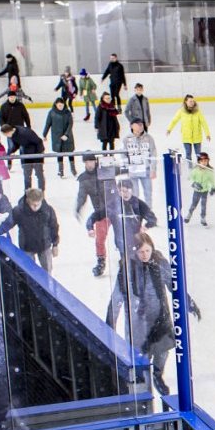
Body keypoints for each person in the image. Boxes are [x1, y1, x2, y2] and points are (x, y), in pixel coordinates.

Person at [107, 231, 199, 387]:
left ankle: (157, 374)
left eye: (147, 251)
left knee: (163, 350)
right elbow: (117, 297)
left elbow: (174, 286)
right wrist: (110, 323)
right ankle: (142, 380)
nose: (144, 255)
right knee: (140, 354)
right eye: (141, 251)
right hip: (138, 321)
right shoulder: (127, 269)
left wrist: (189, 303)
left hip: (160, 317)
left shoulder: (160, 264)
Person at [85, 177, 157, 269]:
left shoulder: (139, 204)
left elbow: (152, 219)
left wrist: (146, 226)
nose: (125, 194)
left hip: (137, 243)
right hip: (121, 243)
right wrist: (90, 228)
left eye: (127, 191)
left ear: (132, 190)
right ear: (118, 191)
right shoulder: (113, 205)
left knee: (138, 267)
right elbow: (94, 216)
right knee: (126, 266)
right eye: (122, 191)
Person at [0, 187, 60, 272]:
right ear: (28, 201)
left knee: (47, 272)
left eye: (38, 204)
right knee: (29, 272)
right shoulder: (19, 211)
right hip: (27, 246)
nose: (36, 207)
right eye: (34, 205)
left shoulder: (47, 210)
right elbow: (8, 223)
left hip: (44, 246)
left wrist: (55, 244)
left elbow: (54, 227)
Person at [74, 156, 117, 276]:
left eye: (91, 161)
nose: (90, 164)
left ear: (95, 161)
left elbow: (119, 174)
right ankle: (101, 261)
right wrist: (78, 207)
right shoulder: (84, 179)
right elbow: (82, 196)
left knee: (121, 235)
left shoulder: (105, 171)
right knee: (100, 239)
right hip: (100, 212)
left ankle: (125, 258)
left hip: (115, 208)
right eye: (87, 161)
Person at [166, 94, 212, 164]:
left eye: (193, 101)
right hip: (186, 137)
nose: (192, 103)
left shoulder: (197, 111)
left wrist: (207, 134)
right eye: (190, 101)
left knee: (198, 155)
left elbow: (204, 122)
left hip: (197, 137)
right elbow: (174, 120)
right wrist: (169, 129)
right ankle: (189, 169)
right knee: (188, 155)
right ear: (186, 102)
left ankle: (199, 169)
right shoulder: (181, 111)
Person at [2, 123, 47, 194]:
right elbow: (16, 144)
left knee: (39, 174)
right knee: (27, 175)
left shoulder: (25, 132)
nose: (6, 136)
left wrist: (38, 154)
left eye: (5, 135)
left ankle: (41, 191)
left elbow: (39, 142)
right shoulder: (13, 135)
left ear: (8, 132)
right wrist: (12, 152)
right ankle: (27, 192)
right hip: (25, 155)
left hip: (36, 155)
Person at [125, 119, 157, 206]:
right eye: (137, 124)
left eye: (141, 124)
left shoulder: (149, 138)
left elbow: (153, 154)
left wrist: (153, 169)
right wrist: (126, 168)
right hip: (133, 171)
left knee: (148, 193)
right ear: (132, 126)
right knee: (134, 194)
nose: (140, 126)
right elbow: (124, 154)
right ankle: (136, 213)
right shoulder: (127, 139)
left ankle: (149, 213)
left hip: (146, 170)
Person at [43, 98, 76, 177]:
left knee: (70, 152)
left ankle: (73, 169)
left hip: (67, 137)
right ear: (56, 104)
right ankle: (60, 171)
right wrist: (44, 134)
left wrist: (66, 134)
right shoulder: (51, 113)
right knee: (59, 153)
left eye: (62, 105)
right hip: (57, 137)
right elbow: (48, 124)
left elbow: (70, 124)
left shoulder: (67, 113)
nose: (61, 106)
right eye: (59, 105)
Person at [185, 152, 215, 225]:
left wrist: (213, 188)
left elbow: (212, 180)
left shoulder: (209, 171)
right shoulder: (195, 170)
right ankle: (189, 214)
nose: (204, 163)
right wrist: (194, 183)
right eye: (202, 161)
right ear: (199, 161)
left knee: (203, 205)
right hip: (196, 191)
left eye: (206, 161)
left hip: (204, 191)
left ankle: (203, 218)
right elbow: (190, 178)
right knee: (194, 204)